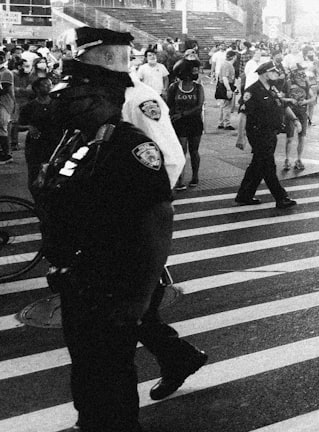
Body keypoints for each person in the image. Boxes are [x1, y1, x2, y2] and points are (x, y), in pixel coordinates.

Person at [34, 31, 205, 431]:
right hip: (86, 271)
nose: (67, 98)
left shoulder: (134, 101)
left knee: (114, 355)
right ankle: (97, 416)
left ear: (105, 60)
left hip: (120, 259)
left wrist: (138, 237)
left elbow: (166, 162)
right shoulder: (80, 129)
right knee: (94, 361)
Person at [234, 61, 297, 208]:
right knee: (268, 165)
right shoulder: (252, 91)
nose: (276, 74)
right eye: (273, 71)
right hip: (258, 133)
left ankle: (244, 195)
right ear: (264, 73)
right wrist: (240, 137)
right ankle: (281, 197)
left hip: (270, 132)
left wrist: (294, 119)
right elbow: (243, 115)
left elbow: (282, 104)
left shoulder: (272, 89)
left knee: (258, 165)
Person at [165, 59, 205, 191]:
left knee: (194, 151)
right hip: (179, 123)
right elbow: (168, 105)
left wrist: (182, 114)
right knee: (181, 151)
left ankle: (195, 176)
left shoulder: (198, 87)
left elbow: (199, 106)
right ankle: (180, 179)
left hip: (194, 122)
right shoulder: (174, 87)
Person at [18, 76, 61, 188]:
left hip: (55, 142)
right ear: (37, 89)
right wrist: (29, 127)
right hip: (36, 145)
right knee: (35, 173)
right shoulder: (30, 106)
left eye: (50, 84)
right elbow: (19, 125)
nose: (48, 86)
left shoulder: (58, 104)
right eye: (45, 84)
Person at [214, 49, 238, 129]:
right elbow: (225, 78)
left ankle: (220, 122)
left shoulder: (225, 64)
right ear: (234, 57)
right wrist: (229, 89)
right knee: (227, 106)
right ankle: (226, 123)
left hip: (223, 85)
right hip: (225, 86)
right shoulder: (227, 65)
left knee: (223, 105)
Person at [0, 49, 13, 164]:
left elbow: (5, 90)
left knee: (2, 129)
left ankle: (6, 154)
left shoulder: (6, 73)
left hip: (4, 104)